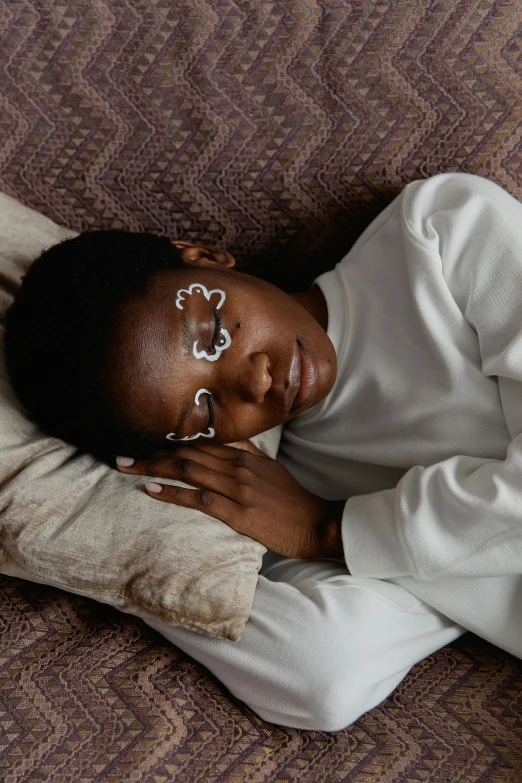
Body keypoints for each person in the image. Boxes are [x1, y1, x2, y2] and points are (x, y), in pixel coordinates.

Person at [4, 172, 522, 731]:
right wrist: (123, 549)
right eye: (203, 410)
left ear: (205, 257)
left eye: (212, 332)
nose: (253, 382)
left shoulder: (441, 233)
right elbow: (323, 672)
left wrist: (332, 529)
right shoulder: (269, 499)